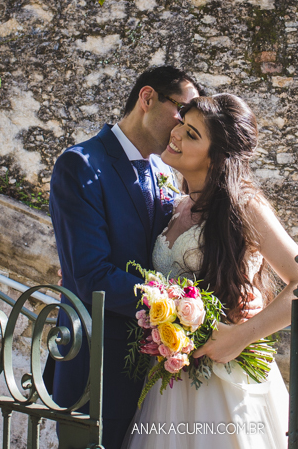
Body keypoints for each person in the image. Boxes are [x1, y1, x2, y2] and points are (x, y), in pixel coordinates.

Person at [123, 93, 298, 449]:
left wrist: (240, 336)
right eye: (182, 126)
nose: (177, 135)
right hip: (170, 382)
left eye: (192, 134)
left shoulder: (244, 205)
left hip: (226, 384)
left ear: (216, 158)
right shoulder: (176, 204)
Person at [47, 66, 202, 449]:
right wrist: (174, 304)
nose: (182, 129)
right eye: (181, 114)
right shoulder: (81, 165)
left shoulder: (164, 171)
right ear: (147, 98)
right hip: (99, 365)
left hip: (160, 374)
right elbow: (91, 275)